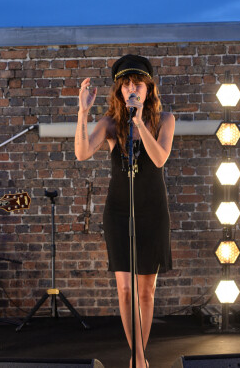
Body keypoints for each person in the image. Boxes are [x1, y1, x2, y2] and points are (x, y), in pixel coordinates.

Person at [75, 54, 175, 368]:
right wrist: (83, 112)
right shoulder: (109, 123)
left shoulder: (164, 120)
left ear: (149, 88)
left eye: (138, 83)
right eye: (126, 84)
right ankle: (137, 358)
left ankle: (139, 358)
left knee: (146, 290)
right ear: (119, 89)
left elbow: (159, 159)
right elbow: (81, 153)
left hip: (152, 210)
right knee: (124, 289)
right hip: (118, 211)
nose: (132, 88)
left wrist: (139, 121)